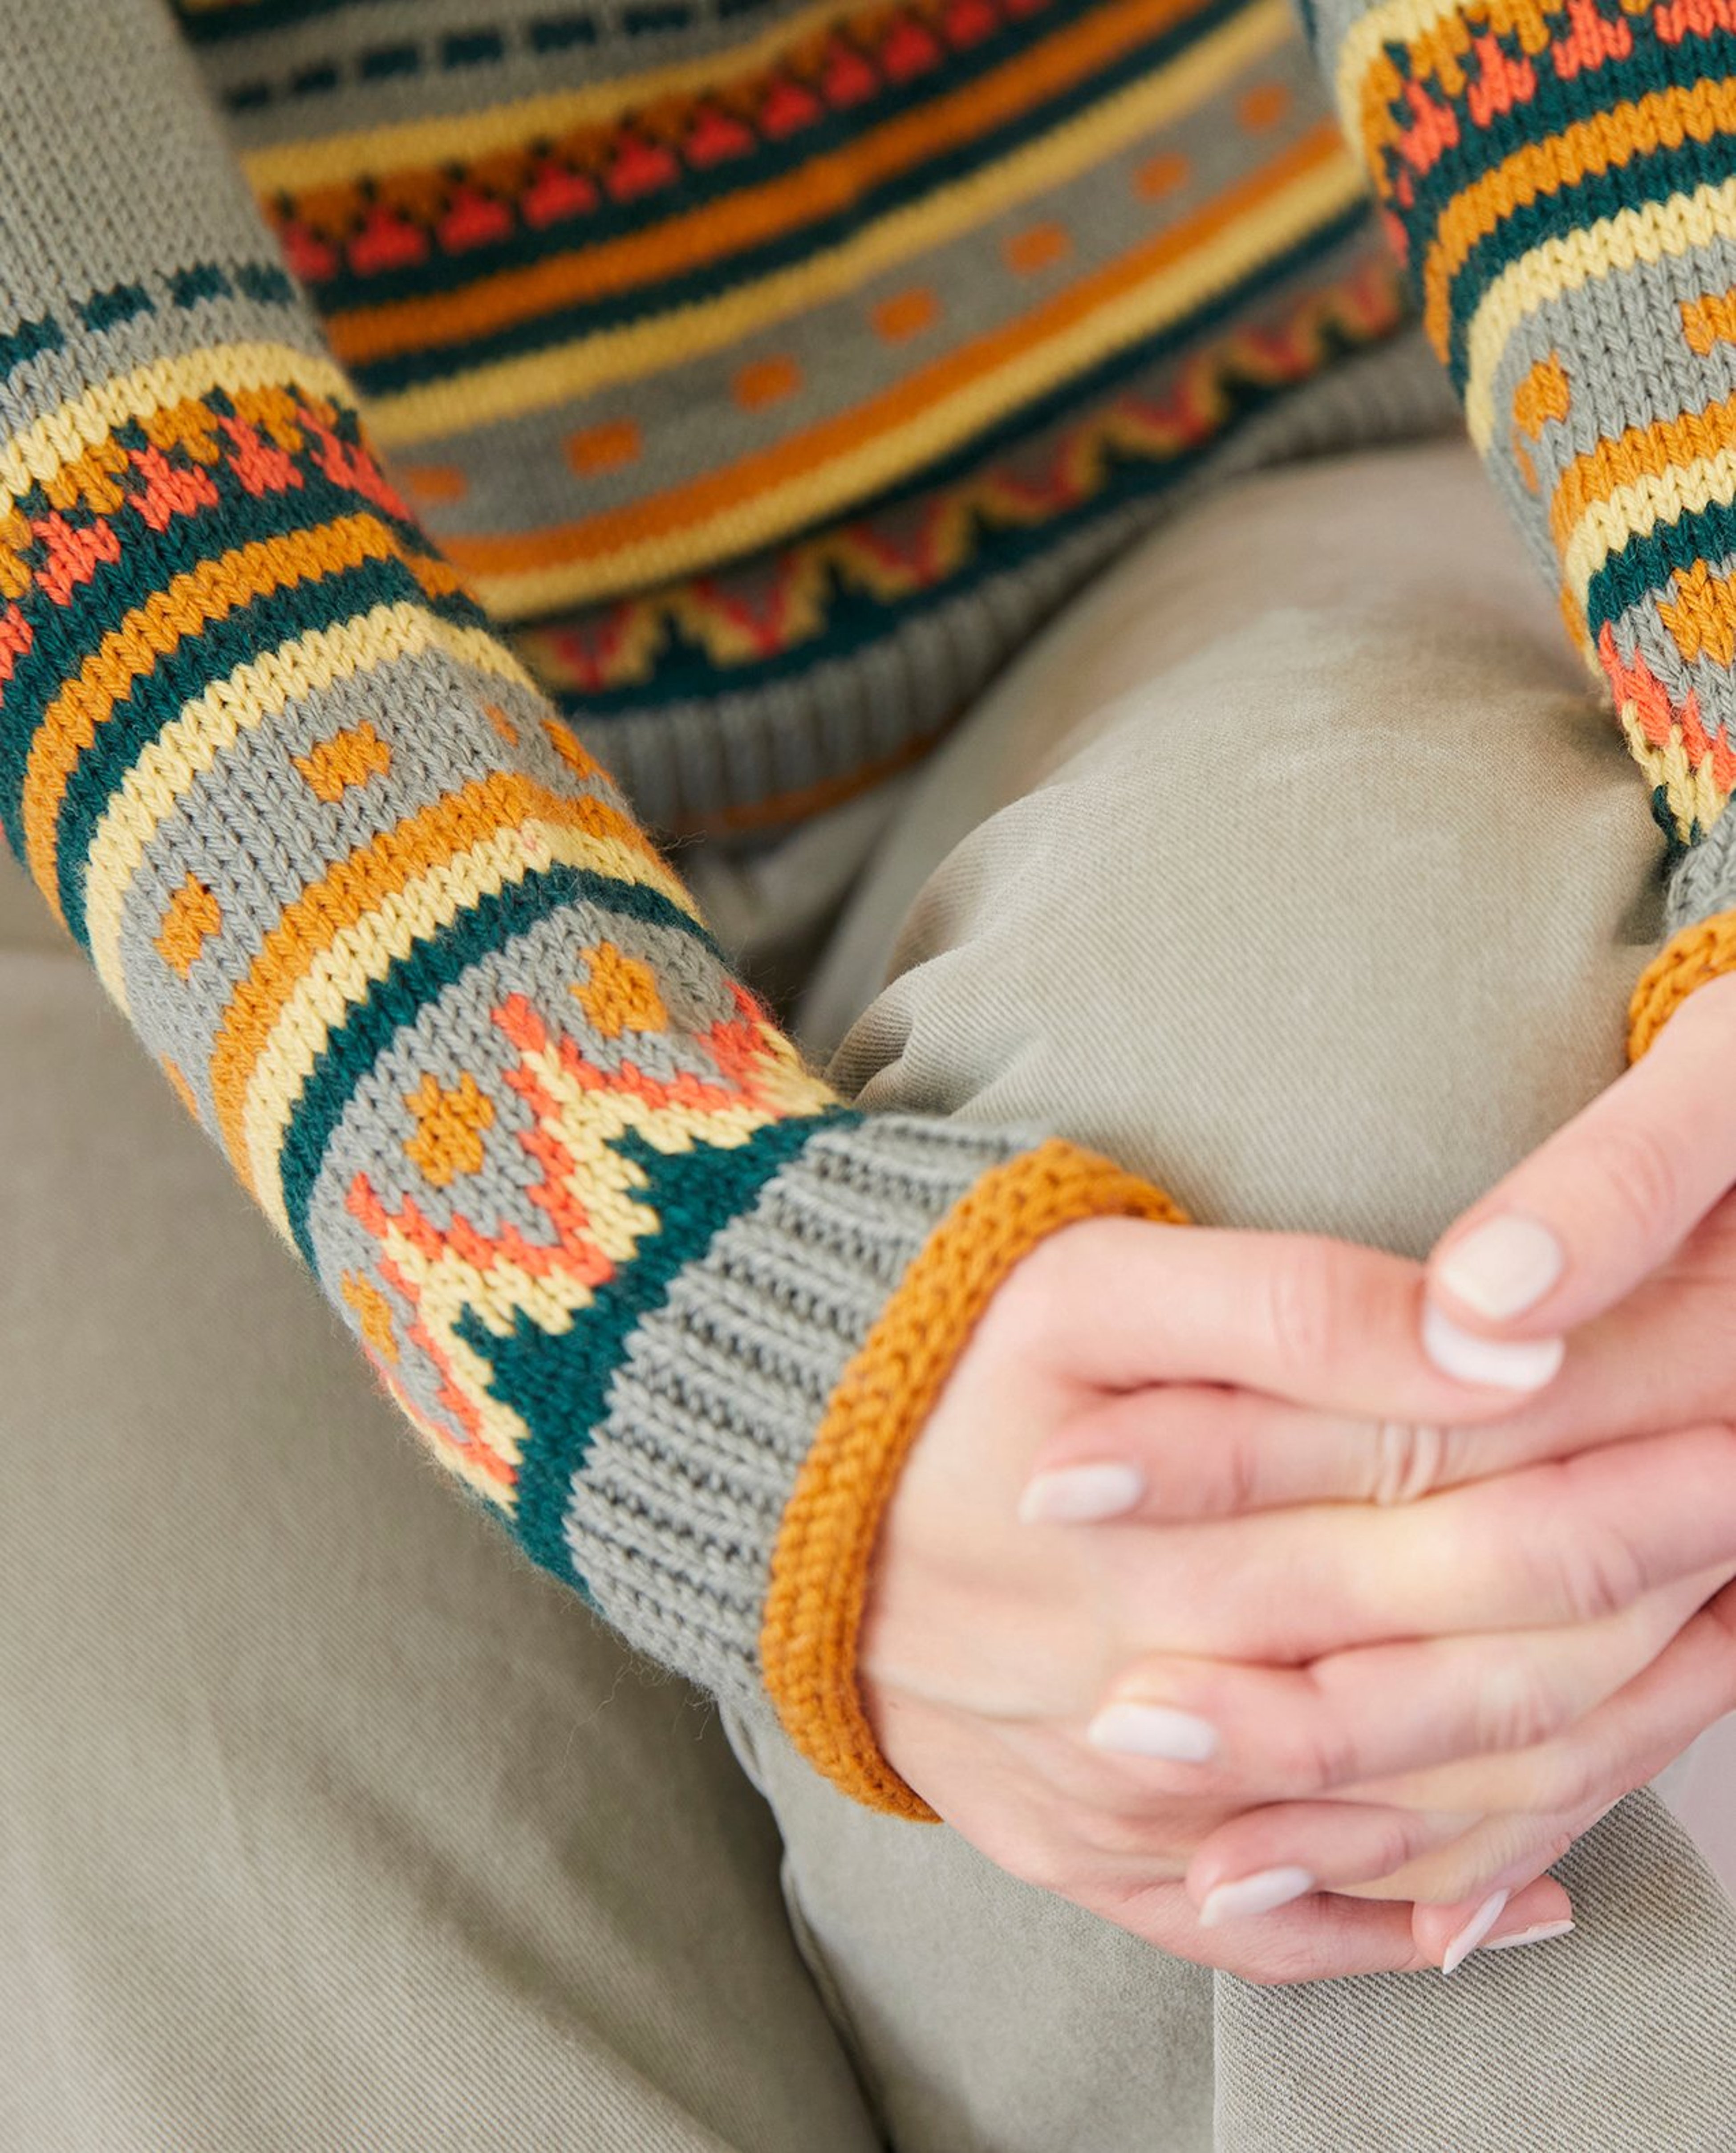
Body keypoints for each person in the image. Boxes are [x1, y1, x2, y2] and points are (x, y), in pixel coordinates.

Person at [2, 0, 1735, 2144]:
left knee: (1344, 1190)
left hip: (1207, 446)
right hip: (111, 836)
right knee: (173, 1809)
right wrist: (649, 1296)